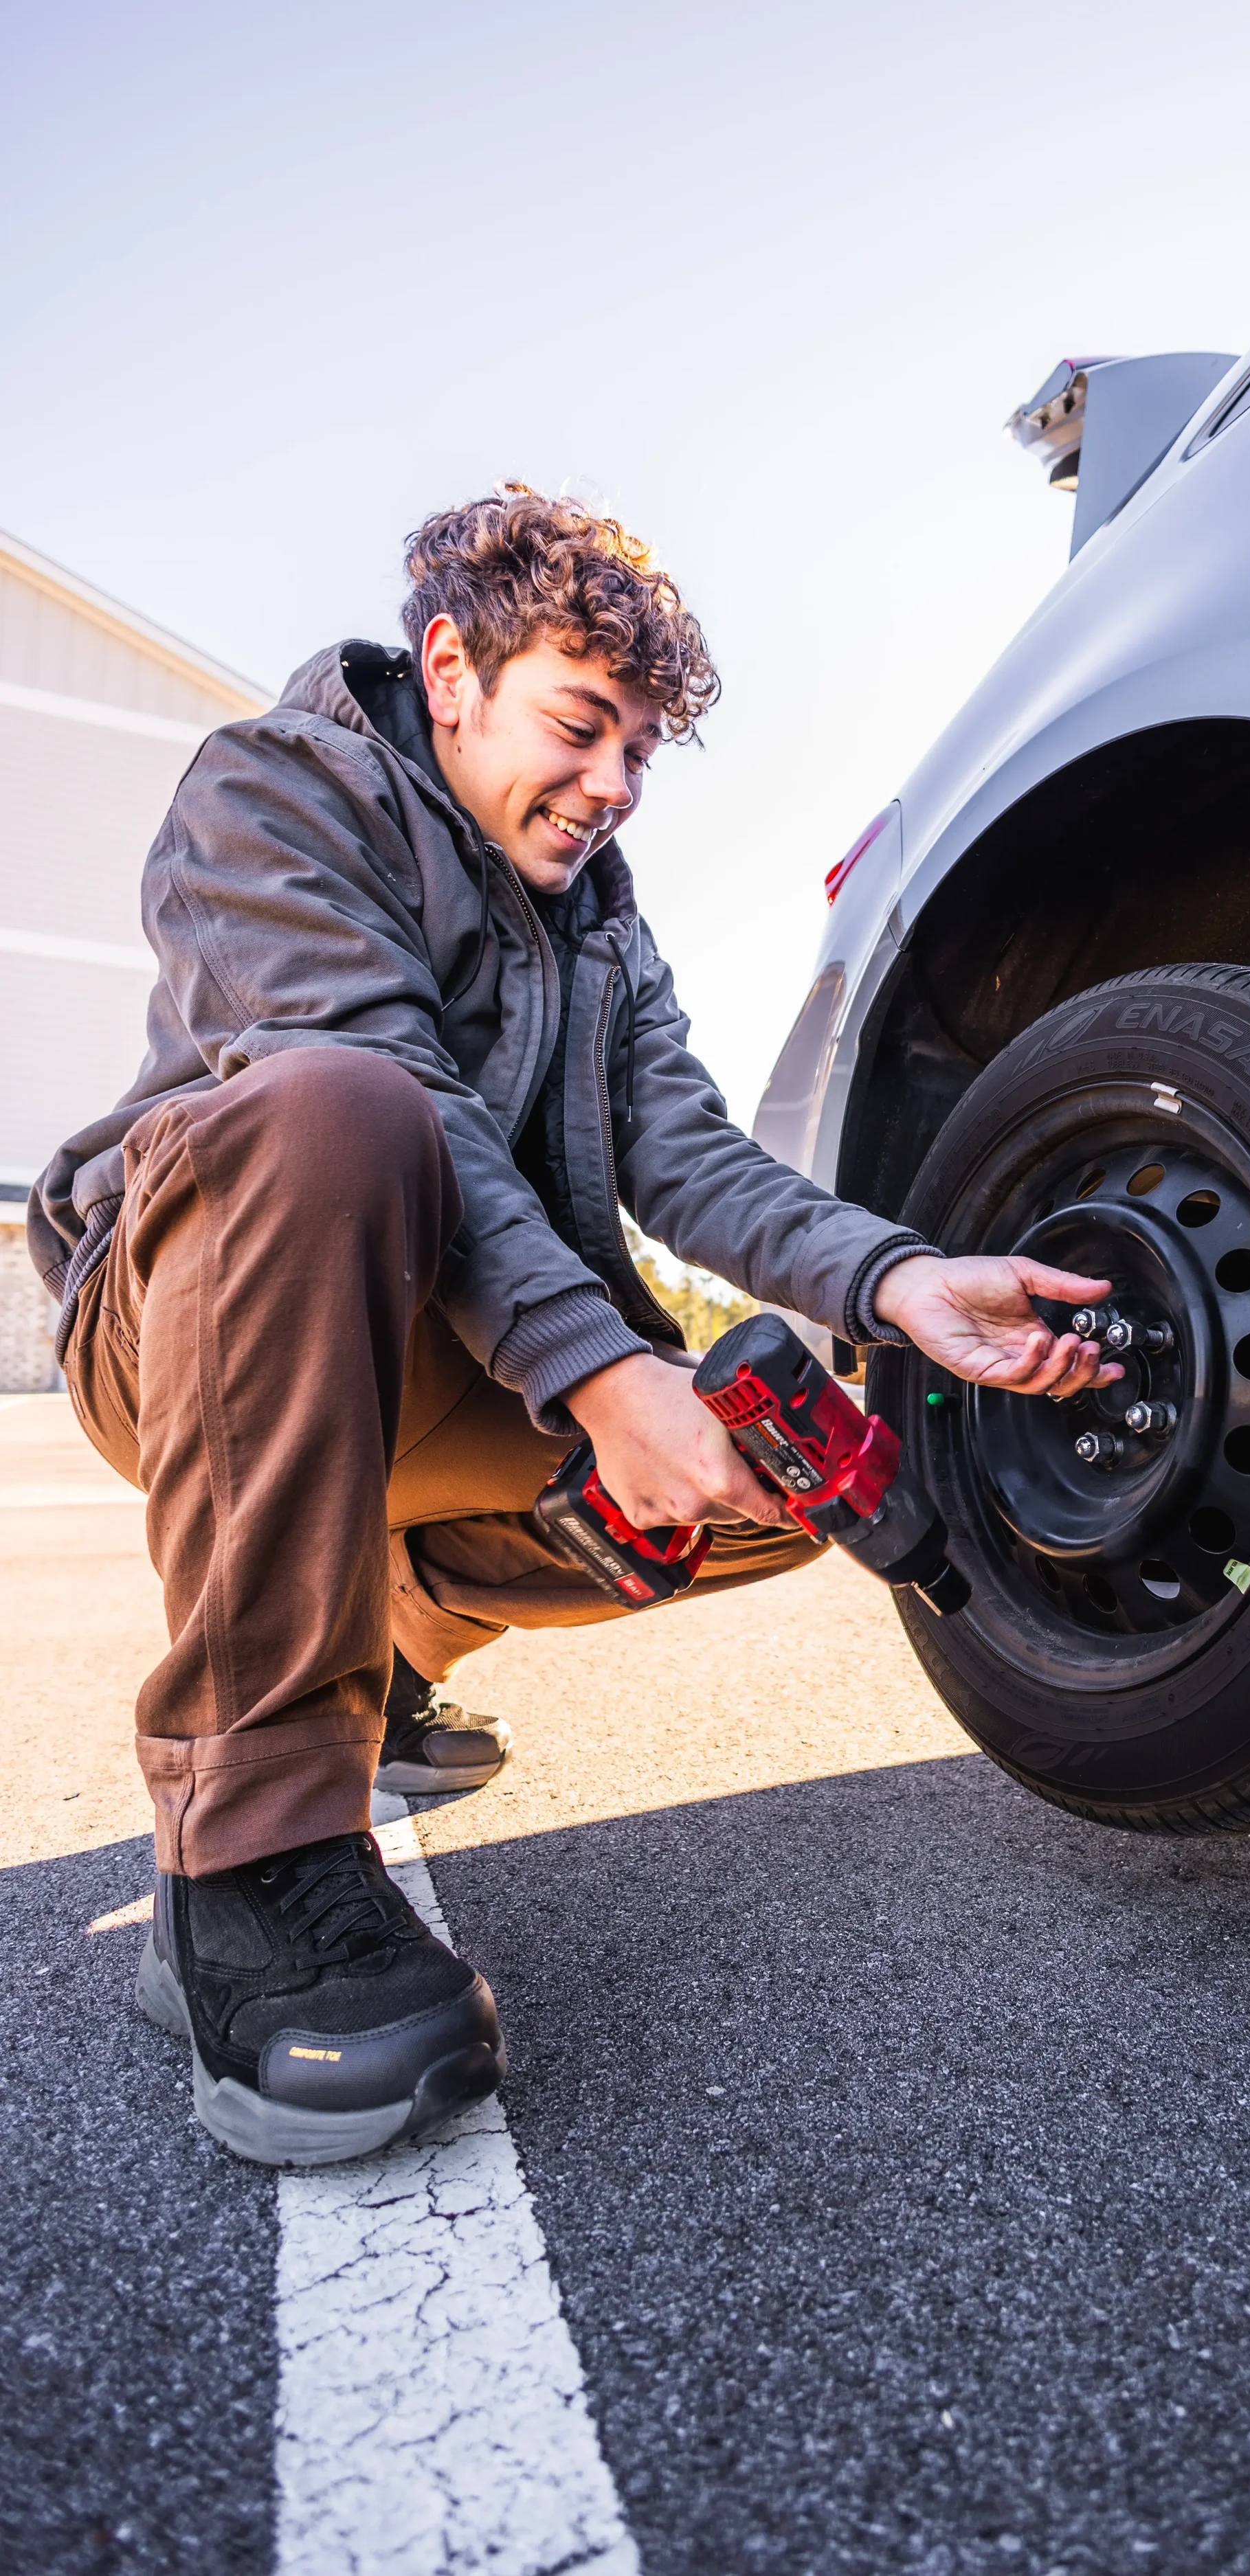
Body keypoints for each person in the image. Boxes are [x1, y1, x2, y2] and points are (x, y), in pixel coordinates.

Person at [29, 486, 1117, 2167]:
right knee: (343, 1112)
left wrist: (901, 1281)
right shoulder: (272, 791)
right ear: (450, 666)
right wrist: (606, 1375)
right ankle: (242, 1867)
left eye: (641, 754)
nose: (612, 787)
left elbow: (686, 1150)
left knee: (780, 1482)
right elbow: (413, 1111)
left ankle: (378, 1636)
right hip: (205, 1326)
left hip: (447, 1358)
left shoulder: (602, 917)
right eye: (582, 726)